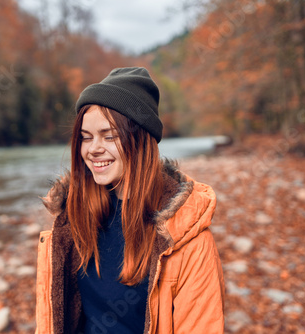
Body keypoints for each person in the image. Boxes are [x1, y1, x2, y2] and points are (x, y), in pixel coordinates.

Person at [35, 67, 225, 334]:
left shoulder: (188, 239)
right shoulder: (72, 219)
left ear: (141, 140)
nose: (93, 149)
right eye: (85, 138)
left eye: (109, 136)